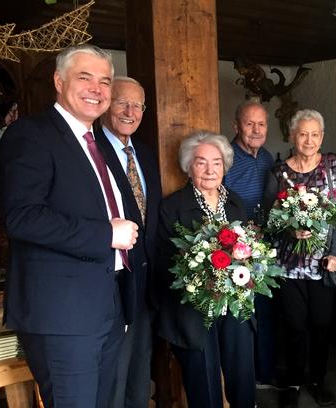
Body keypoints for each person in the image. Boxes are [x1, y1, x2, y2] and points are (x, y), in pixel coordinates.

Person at [0, 44, 140, 407]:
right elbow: (22, 217)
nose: (97, 88)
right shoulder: (31, 134)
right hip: (63, 314)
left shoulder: (98, 144)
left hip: (107, 303)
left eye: (105, 81)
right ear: (59, 81)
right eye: (85, 77)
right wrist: (107, 234)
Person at [156, 131, 255, 408]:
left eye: (217, 162)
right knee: (204, 384)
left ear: (225, 166)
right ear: (189, 166)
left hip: (235, 306)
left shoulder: (235, 202)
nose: (210, 170)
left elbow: (249, 251)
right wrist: (199, 278)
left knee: (243, 378)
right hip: (193, 310)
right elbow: (163, 263)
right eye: (201, 162)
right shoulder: (172, 207)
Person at [263, 109, 336, 408]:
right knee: (295, 326)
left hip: (324, 265)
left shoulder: (332, 165)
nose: (309, 140)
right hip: (289, 267)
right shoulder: (278, 173)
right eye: (303, 133)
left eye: (315, 134)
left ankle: (319, 379)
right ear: (291, 136)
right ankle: (294, 381)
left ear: (322, 137)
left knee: (321, 325)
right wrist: (291, 231)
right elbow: (269, 221)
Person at [96, 76, 162, 408]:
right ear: (107, 102)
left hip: (145, 282)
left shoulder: (146, 155)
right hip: (113, 283)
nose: (130, 111)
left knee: (140, 369)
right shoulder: (93, 150)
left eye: (138, 105)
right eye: (123, 102)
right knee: (114, 376)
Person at [223, 101, 276, 386]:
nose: (256, 130)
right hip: (234, 250)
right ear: (236, 126)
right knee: (241, 314)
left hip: (264, 249)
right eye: (249, 123)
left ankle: (264, 372)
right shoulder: (226, 157)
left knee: (265, 308)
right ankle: (242, 377)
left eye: (261, 124)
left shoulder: (268, 158)